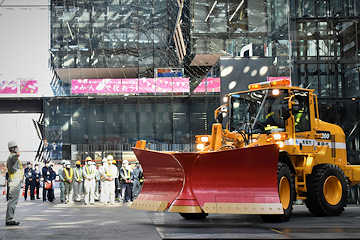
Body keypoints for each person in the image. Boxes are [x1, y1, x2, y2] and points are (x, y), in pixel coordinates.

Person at [5, 140, 23, 226]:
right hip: (14, 182)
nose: (17, 148)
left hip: (16, 182)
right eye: (15, 146)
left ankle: (9, 218)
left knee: (13, 201)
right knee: (12, 201)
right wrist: (16, 155)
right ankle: (9, 219)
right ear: (11, 148)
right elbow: (13, 158)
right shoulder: (12, 157)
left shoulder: (13, 157)